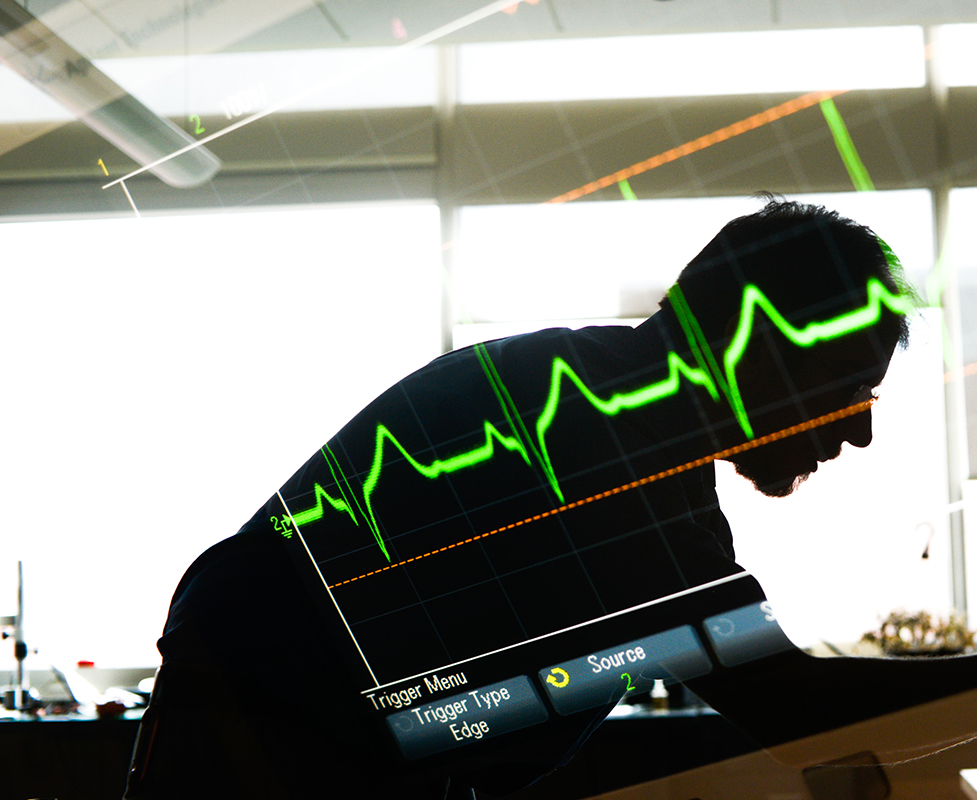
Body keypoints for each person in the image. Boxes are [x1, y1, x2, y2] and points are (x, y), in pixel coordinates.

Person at [127, 196, 919, 799]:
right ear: (771, 339)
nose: (859, 434)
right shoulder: (622, 447)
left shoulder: (597, 395)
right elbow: (793, 705)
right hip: (273, 736)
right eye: (851, 390)